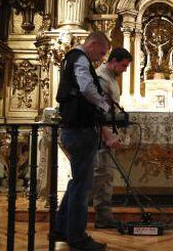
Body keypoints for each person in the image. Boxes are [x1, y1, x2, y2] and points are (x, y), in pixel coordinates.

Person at [55, 31, 118, 251]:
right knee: (83, 185)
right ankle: (77, 237)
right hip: (80, 129)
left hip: (73, 128)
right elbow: (85, 88)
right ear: (91, 44)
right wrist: (103, 104)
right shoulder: (80, 59)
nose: (101, 58)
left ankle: (61, 229)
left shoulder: (69, 59)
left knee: (77, 182)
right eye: (101, 53)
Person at [92, 47, 132, 229]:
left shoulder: (110, 77)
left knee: (106, 175)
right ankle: (76, 216)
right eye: (123, 65)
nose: (125, 70)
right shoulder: (101, 77)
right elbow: (97, 111)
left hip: (107, 130)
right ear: (114, 61)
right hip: (101, 133)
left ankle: (104, 216)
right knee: (100, 175)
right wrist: (106, 134)